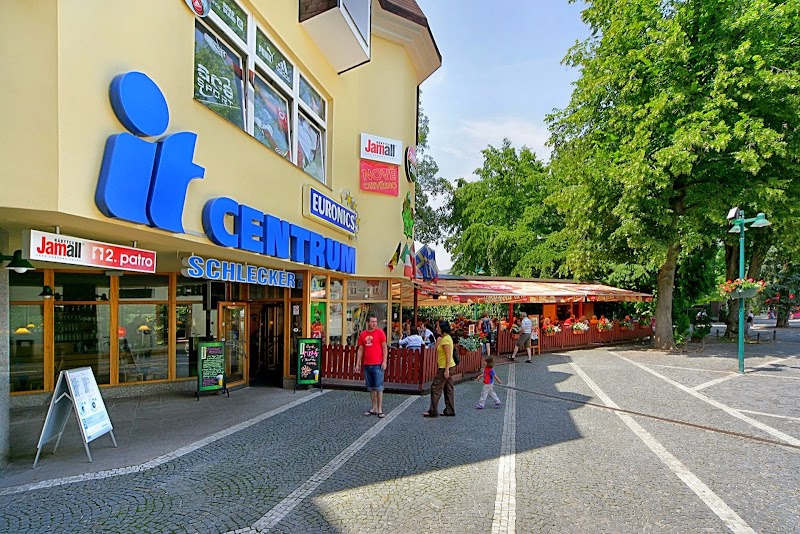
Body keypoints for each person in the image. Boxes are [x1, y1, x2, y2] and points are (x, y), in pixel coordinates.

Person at [355, 315, 388, 418]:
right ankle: (374, 407)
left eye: (375, 321)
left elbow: (384, 347)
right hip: (367, 364)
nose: (374, 323)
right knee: (371, 387)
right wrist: (357, 363)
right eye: (372, 321)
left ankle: (380, 409)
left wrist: (384, 361)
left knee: (379, 387)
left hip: (377, 363)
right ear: (368, 323)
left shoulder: (380, 333)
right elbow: (360, 349)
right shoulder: (363, 334)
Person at [423, 320, 456, 417]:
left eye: (438, 328)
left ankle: (433, 411)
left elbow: (448, 356)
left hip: (445, 367)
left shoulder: (445, 340)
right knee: (448, 388)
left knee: (435, 387)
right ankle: (450, 410)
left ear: (443, 329)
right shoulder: (447, 338)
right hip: (450, 366)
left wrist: (446, 370)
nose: (436, 329)